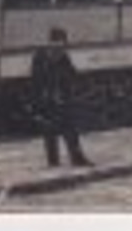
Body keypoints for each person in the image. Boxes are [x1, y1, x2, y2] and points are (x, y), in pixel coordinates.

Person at [30, 27, 91, 167]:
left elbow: (71, 74)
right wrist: (38, 103)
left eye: (63, 44)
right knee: (49, 132)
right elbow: (36, 81)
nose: (62, 47)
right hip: (47, 101)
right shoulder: (40, 57)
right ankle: (53, 161)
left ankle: (77, 158)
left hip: (62, 100)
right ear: (52, 42)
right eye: (59, 43)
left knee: (71, 130)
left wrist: (75, 87)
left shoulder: (63, 57)